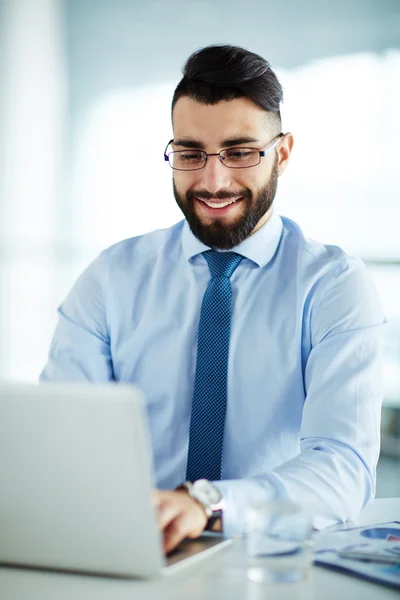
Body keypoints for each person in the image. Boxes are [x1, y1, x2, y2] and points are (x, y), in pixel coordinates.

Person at [40, 44, 385, 555]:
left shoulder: (333, 285)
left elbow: (344, 467)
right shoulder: (111, 278)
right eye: (190, 153)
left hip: (268, 559)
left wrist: (207, 504)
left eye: (240, 152)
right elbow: (58, 439)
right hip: (131, 549)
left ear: (282, 153)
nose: (213, 180)